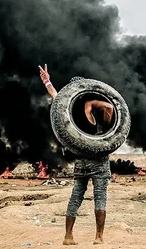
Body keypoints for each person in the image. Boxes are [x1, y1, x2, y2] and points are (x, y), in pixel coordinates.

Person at [39, 64, 113, 245]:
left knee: (76, 197)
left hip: (80, 160)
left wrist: (47, 81)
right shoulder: (88, 104)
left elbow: (55, 96)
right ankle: (99, 237)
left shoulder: (67, 109)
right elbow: (111, 106)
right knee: (100, 196)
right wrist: (107, 121)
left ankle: (68, 236)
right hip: (98, 158)